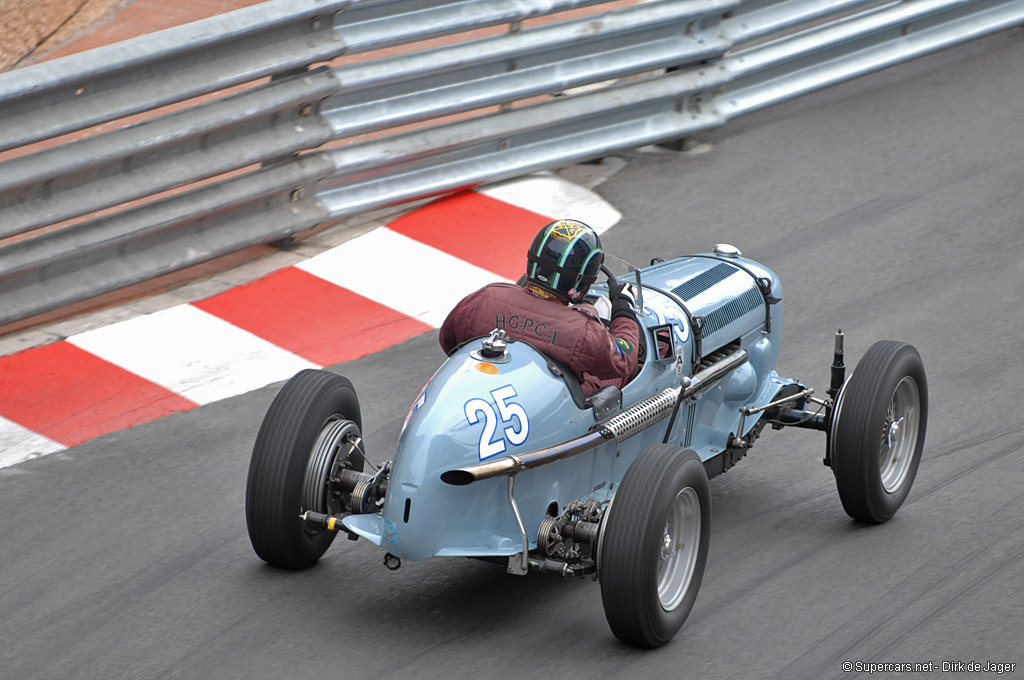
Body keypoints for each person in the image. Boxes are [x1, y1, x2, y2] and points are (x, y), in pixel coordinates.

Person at [439, 219, 640, 396]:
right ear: (582, 280)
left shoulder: (485, 297)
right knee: (630, 371)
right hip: (541, 407)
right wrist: (624, 308)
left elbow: (448, 340)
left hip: (482, 387)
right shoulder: (584, 331)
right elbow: (624, 359)